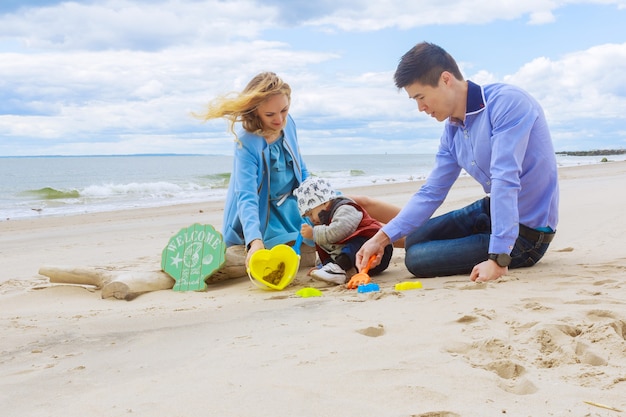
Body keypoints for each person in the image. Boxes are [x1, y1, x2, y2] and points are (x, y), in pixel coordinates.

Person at [356, 42, 559, 283]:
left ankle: (496, 247)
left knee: (416, 259)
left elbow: (505, 178)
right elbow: (431, 192)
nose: (421, 108)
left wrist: (498, 259)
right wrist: (380, 238)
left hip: (527, 233)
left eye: (421, 97)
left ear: (445, 79)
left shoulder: (508, 103)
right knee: (415, 239)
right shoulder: (452, 131)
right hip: (490, 211)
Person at [196, 72, 313, 268]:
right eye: (270, 114)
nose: (279, 119)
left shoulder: (289, 123)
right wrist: (254, 241)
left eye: (284, 110)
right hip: (262, 215)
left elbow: (301, 170)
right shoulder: (247, 141)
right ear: (255, 111)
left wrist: (317, 205)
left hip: (292, 206)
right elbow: (246, 195)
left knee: (346, 210)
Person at [293, 177, 393, 285]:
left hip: (377, 252)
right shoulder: (323, 219)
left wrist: (314, 233)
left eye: (311, 213)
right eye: (308, 216)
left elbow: (338, 231)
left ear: (324, 203)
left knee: (356, 242)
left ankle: (338, 268)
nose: (311, 219)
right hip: (358, 260)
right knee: (324, 244)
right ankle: (336, 270)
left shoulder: (345, 209)